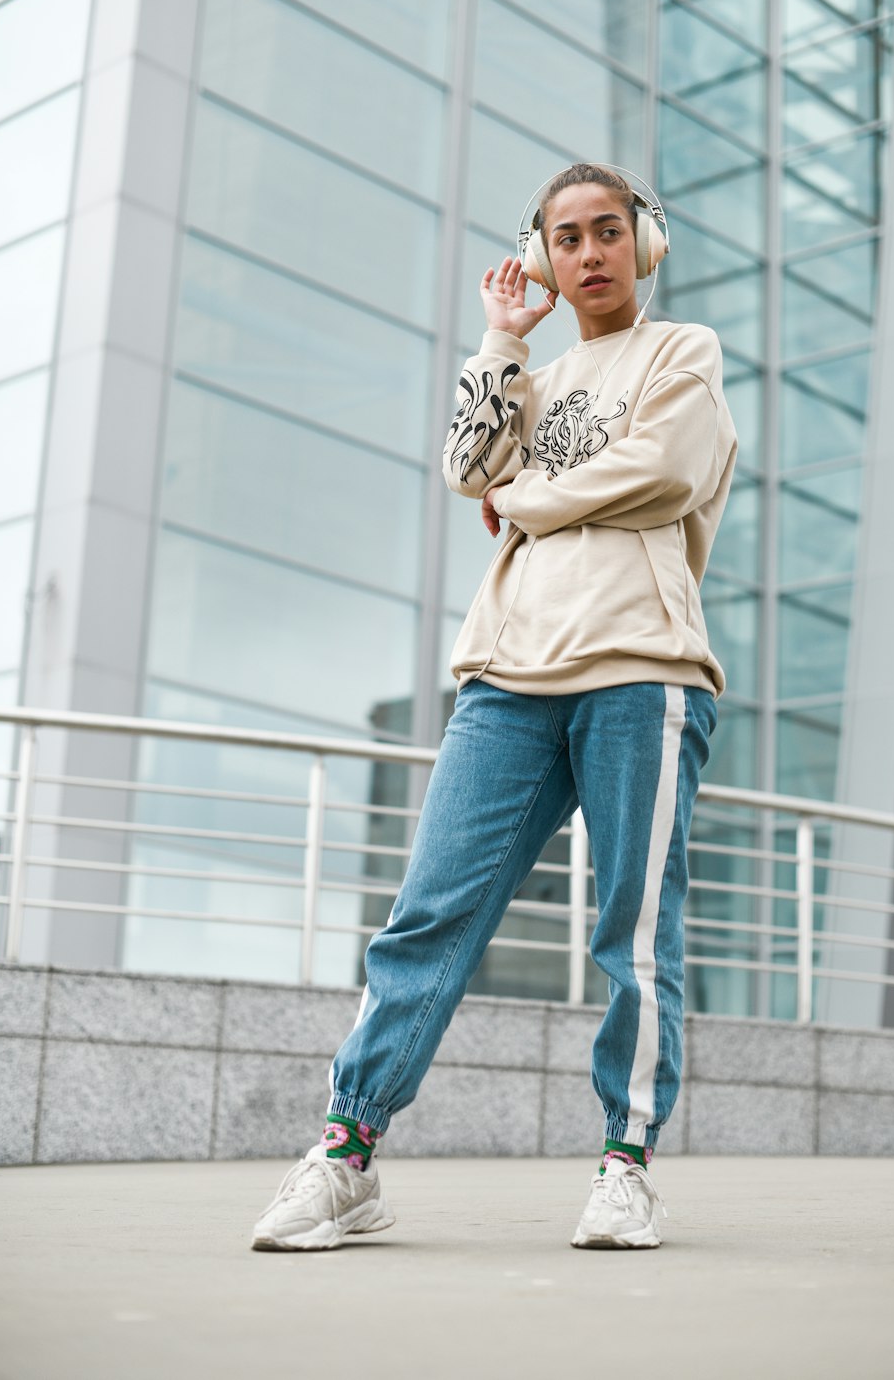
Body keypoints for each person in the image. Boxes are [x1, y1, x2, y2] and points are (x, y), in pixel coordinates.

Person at [252, 163, 737, 1253]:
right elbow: (465, 463)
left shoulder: (681, 354)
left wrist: (519, 501)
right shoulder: (534, 367)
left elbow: (658, 475)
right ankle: (347, 1155)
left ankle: (625, 1165)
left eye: (609, 231)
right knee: (425, 918)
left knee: (634, 935)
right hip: (506, 677)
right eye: (567, 239)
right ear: (545, 260)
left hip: (640, 665)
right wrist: (502, 340)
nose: (591, 253)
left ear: (643, 245)